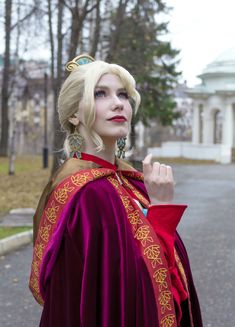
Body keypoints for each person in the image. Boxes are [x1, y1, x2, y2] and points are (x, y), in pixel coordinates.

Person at [29, 54, 203, 327]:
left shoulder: (128, 181)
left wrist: (158, 206)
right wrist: (160, 212)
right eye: (100, 94)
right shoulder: (86, 194)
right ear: (74, 114)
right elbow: (131, 286)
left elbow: (164, 282)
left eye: (123, 94)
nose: (118, 103)